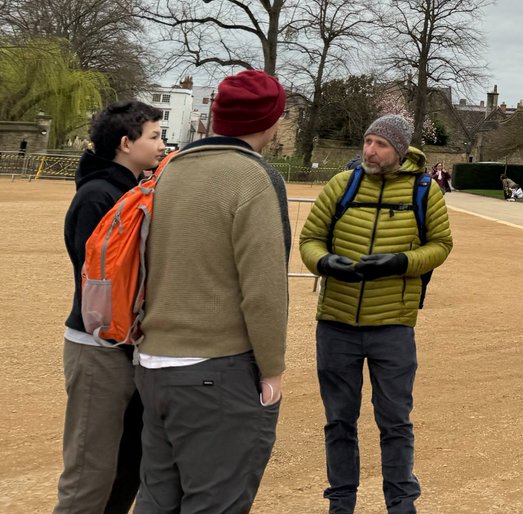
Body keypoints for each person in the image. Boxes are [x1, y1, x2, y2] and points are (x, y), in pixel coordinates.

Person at [133, 69, 291, 514]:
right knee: (217, 502)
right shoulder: (252, 177)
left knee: (156, 499)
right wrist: (272, 369)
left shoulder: (169, 170)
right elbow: (263, 290)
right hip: (215, 368)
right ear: (270, 120)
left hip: (154, 362)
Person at [300, 115, 454, 514]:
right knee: (338, 421)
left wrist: (401, 261)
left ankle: (401, 504)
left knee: (395, 422)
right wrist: (325, 262)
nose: (369, 150)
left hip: (392, 325)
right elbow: (310, 239)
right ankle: (341, 502)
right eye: (367, 141)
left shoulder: (424, 190)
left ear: (399, 150)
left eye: (380, 144)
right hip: (336, 322)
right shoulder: (342, 184)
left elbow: (440, 244)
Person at [55, 101, 163, 514]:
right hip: (99, 347)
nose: (161, 144)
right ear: (125, 143)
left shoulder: (131, 191)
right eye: (153, 136)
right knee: (89, 475)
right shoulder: (98, 195)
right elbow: (99, 284)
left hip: (127, 349)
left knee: (127, 465)